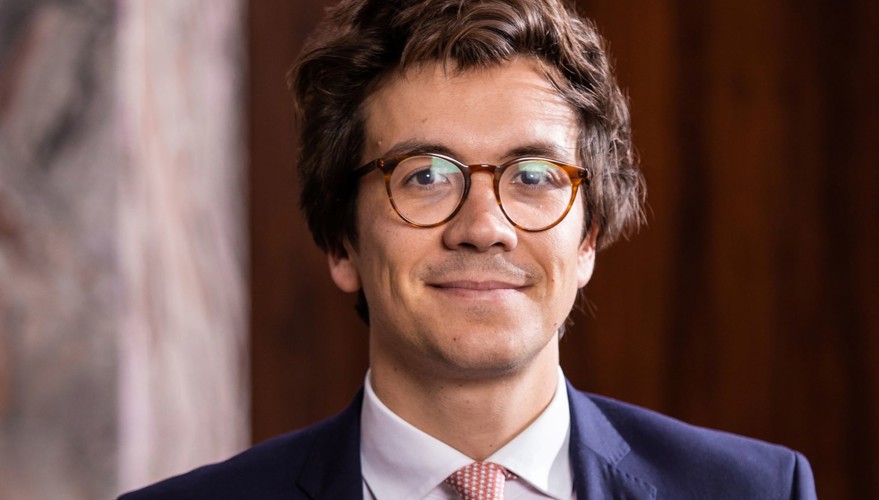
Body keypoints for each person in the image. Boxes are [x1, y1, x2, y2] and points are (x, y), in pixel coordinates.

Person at [121, 0, 816, 498]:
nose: (484, 226)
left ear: (589, 239)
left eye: (535, 177)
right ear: (340, 241)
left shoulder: (755, 490)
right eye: (424, 175)